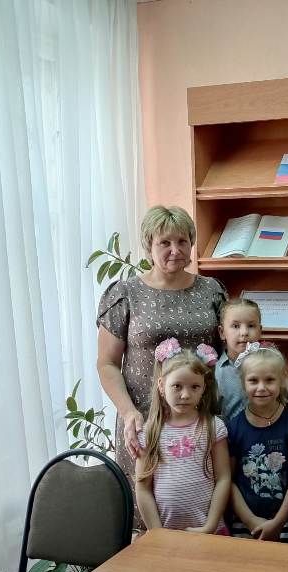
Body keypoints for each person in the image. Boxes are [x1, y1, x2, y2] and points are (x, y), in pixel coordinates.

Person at [97, 206, 226, 501]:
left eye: (182, 241)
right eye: (164, 242)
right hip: (144, 420)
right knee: (147, 504)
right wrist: (128, 412)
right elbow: (107, 364)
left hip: (200, 420)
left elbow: (232, 348)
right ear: (149, 246)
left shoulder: (212, 291)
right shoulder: (125, 293)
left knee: (199, 499)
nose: (175, 250)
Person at [135, 338, 230, 534]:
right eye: (177, 386)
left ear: (203, 388)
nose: (185, 395)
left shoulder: (213, 427)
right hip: (165, 537)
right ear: (161, 386)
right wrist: (157, 533)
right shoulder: (150, 432)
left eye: (194, 387)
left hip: (209, 533)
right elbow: (143, 488)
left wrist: (210, 526)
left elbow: (223, 479)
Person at [227, 343, 288, 541]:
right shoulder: (234, 427)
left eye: (269, 380)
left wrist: (278, 521)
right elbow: (228, 479)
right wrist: (250, 520)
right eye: (253, 380)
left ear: (281, 380)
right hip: (244, 524)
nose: (261, 387)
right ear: (243, 383)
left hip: (286, 522)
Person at [214, 298, 263, 425]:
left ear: (260, 331)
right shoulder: (215, 373)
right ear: (222, 332)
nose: (244, 332)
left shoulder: (270, 366)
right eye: (235, 326)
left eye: (251, 326)